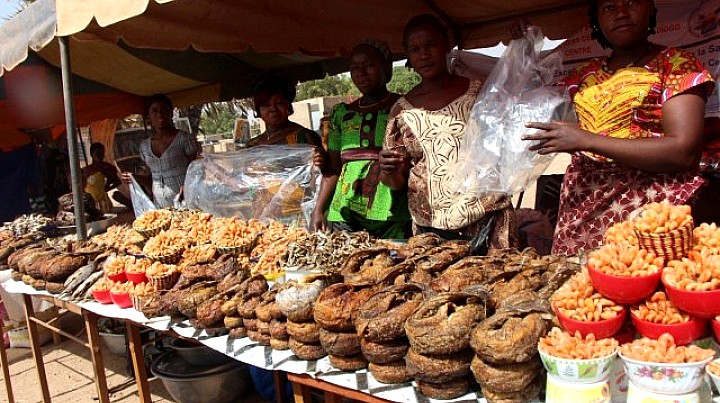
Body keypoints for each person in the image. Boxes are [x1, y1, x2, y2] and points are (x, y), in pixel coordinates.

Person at [524, 0, 715, 255]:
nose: (622, 13)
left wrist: (586, 140)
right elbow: (530, 107)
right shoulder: (583, 75)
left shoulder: (677, 66)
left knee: (640, 283)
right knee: (577, 287)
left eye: (632, 2)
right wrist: (522, 50)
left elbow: (683, 151)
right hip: (583, 205)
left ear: (651, 10)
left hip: (651, 206)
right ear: (597, 20)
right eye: (609, 8)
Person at [378, 14, 516, 247]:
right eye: (415, 49)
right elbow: (395, 182)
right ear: (408, 55)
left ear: (447, 44)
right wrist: (388, 170)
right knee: (442, 284)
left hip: (488, 215)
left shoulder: (478, 93)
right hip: (431, 225)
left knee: (501, 281)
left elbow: (508, 147)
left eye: (431, 44)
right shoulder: (401, 111)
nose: (424, 54)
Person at [310, 40, 411, 239]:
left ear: (386, 68)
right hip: (345, 214)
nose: (361, 72)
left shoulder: (404, 108)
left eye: (368, 65)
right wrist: (319, 208)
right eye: (355, 67)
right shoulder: (341, 114)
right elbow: (333, 169)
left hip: (391, 213)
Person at [123, 94, 200, 208]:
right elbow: (151, 179)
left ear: (171, 113)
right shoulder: (145, 147)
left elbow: (197, 170)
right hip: (161, 206)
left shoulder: (184, 139)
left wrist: (187, 186)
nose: (160, 114)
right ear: (148, 116)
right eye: (154, 111)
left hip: (186, 201)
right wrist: (134, 178)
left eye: (164, 109)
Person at [249, 76, 323, 148]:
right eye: (266, 105)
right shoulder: (252, 145)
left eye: (279, 103)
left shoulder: (305, 137)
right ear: (258, 109)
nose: (273, 109)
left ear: (287, 105)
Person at [82, 143, 121, 213]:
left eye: (102, 153)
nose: (100, 156)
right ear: (91, 154)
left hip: (102, 202)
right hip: (88, 201)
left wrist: (105, 189)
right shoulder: (85, 170)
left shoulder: (107, 168)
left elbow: (117, 181)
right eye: (97, 154)